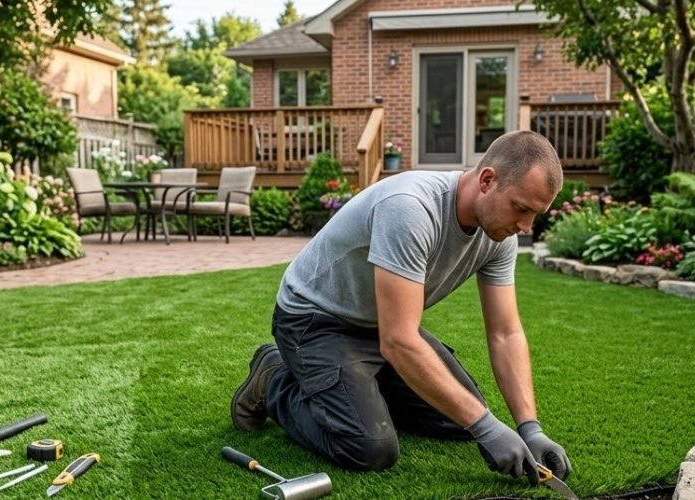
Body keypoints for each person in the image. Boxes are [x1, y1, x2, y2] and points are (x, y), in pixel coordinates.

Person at [230, 130, 572, 484]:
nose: (525, 227)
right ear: (487, 180)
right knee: (370, 447)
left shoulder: (499, 236)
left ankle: (360, 388)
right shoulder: (410, 207)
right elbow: (399, 341)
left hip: (380, 322)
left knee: (462, 421)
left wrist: (529, 428)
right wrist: (486, 426)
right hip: (315, 320)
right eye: (521, 208)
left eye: (535, 215)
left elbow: (505, 333)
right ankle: (273, 379)